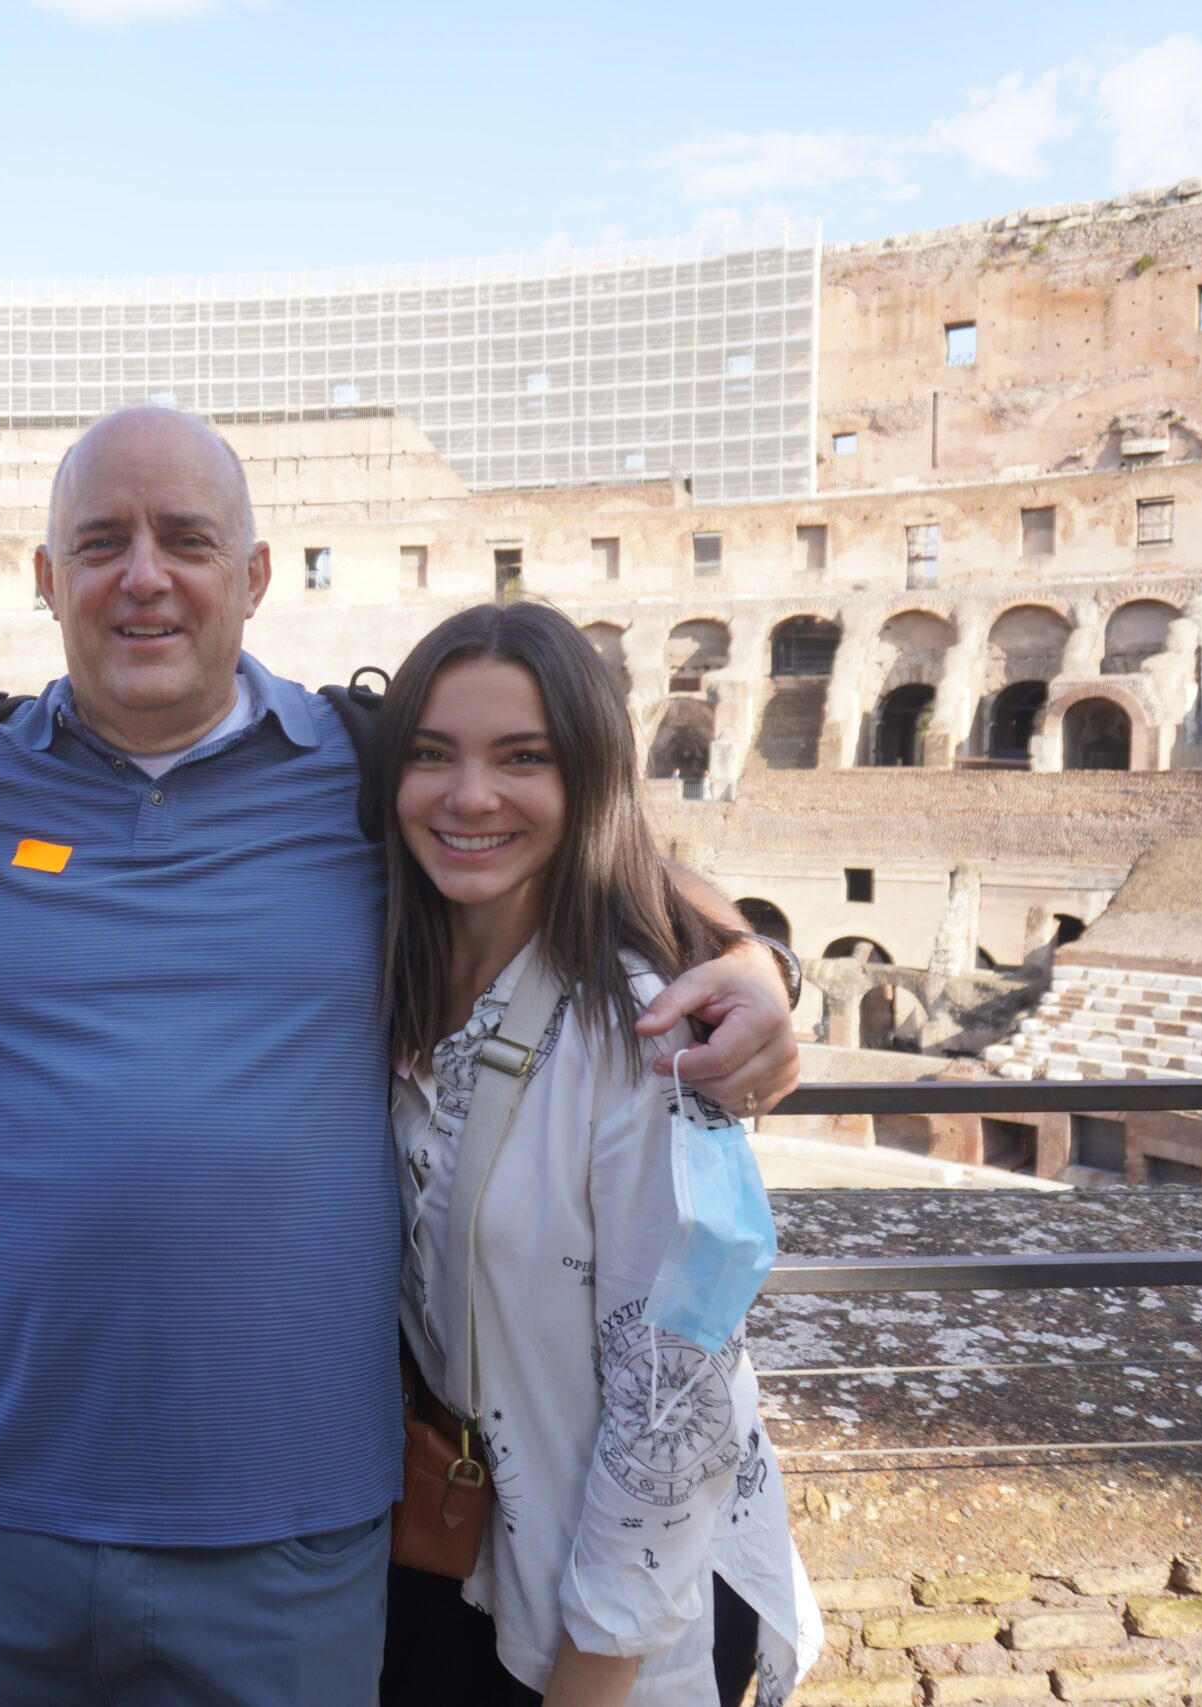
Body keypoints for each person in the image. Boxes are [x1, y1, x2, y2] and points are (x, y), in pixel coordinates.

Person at [0, 407, 800, 1705]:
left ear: (253, 576)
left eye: (187, 539)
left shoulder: (367, 773)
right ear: (47, 580)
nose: (145, 574)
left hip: (286, 1530)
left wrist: (757, 957)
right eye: (101, 541)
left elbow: (576, 844)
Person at [374, 602, 816, 1706]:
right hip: (463, 1556)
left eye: (523, 759)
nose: (468, 795)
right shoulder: (397, 979)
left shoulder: (644, 1031)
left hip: (619, 1620)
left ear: (587, 782)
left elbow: (675, 1410)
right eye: (432, 755)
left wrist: (593, 1674)